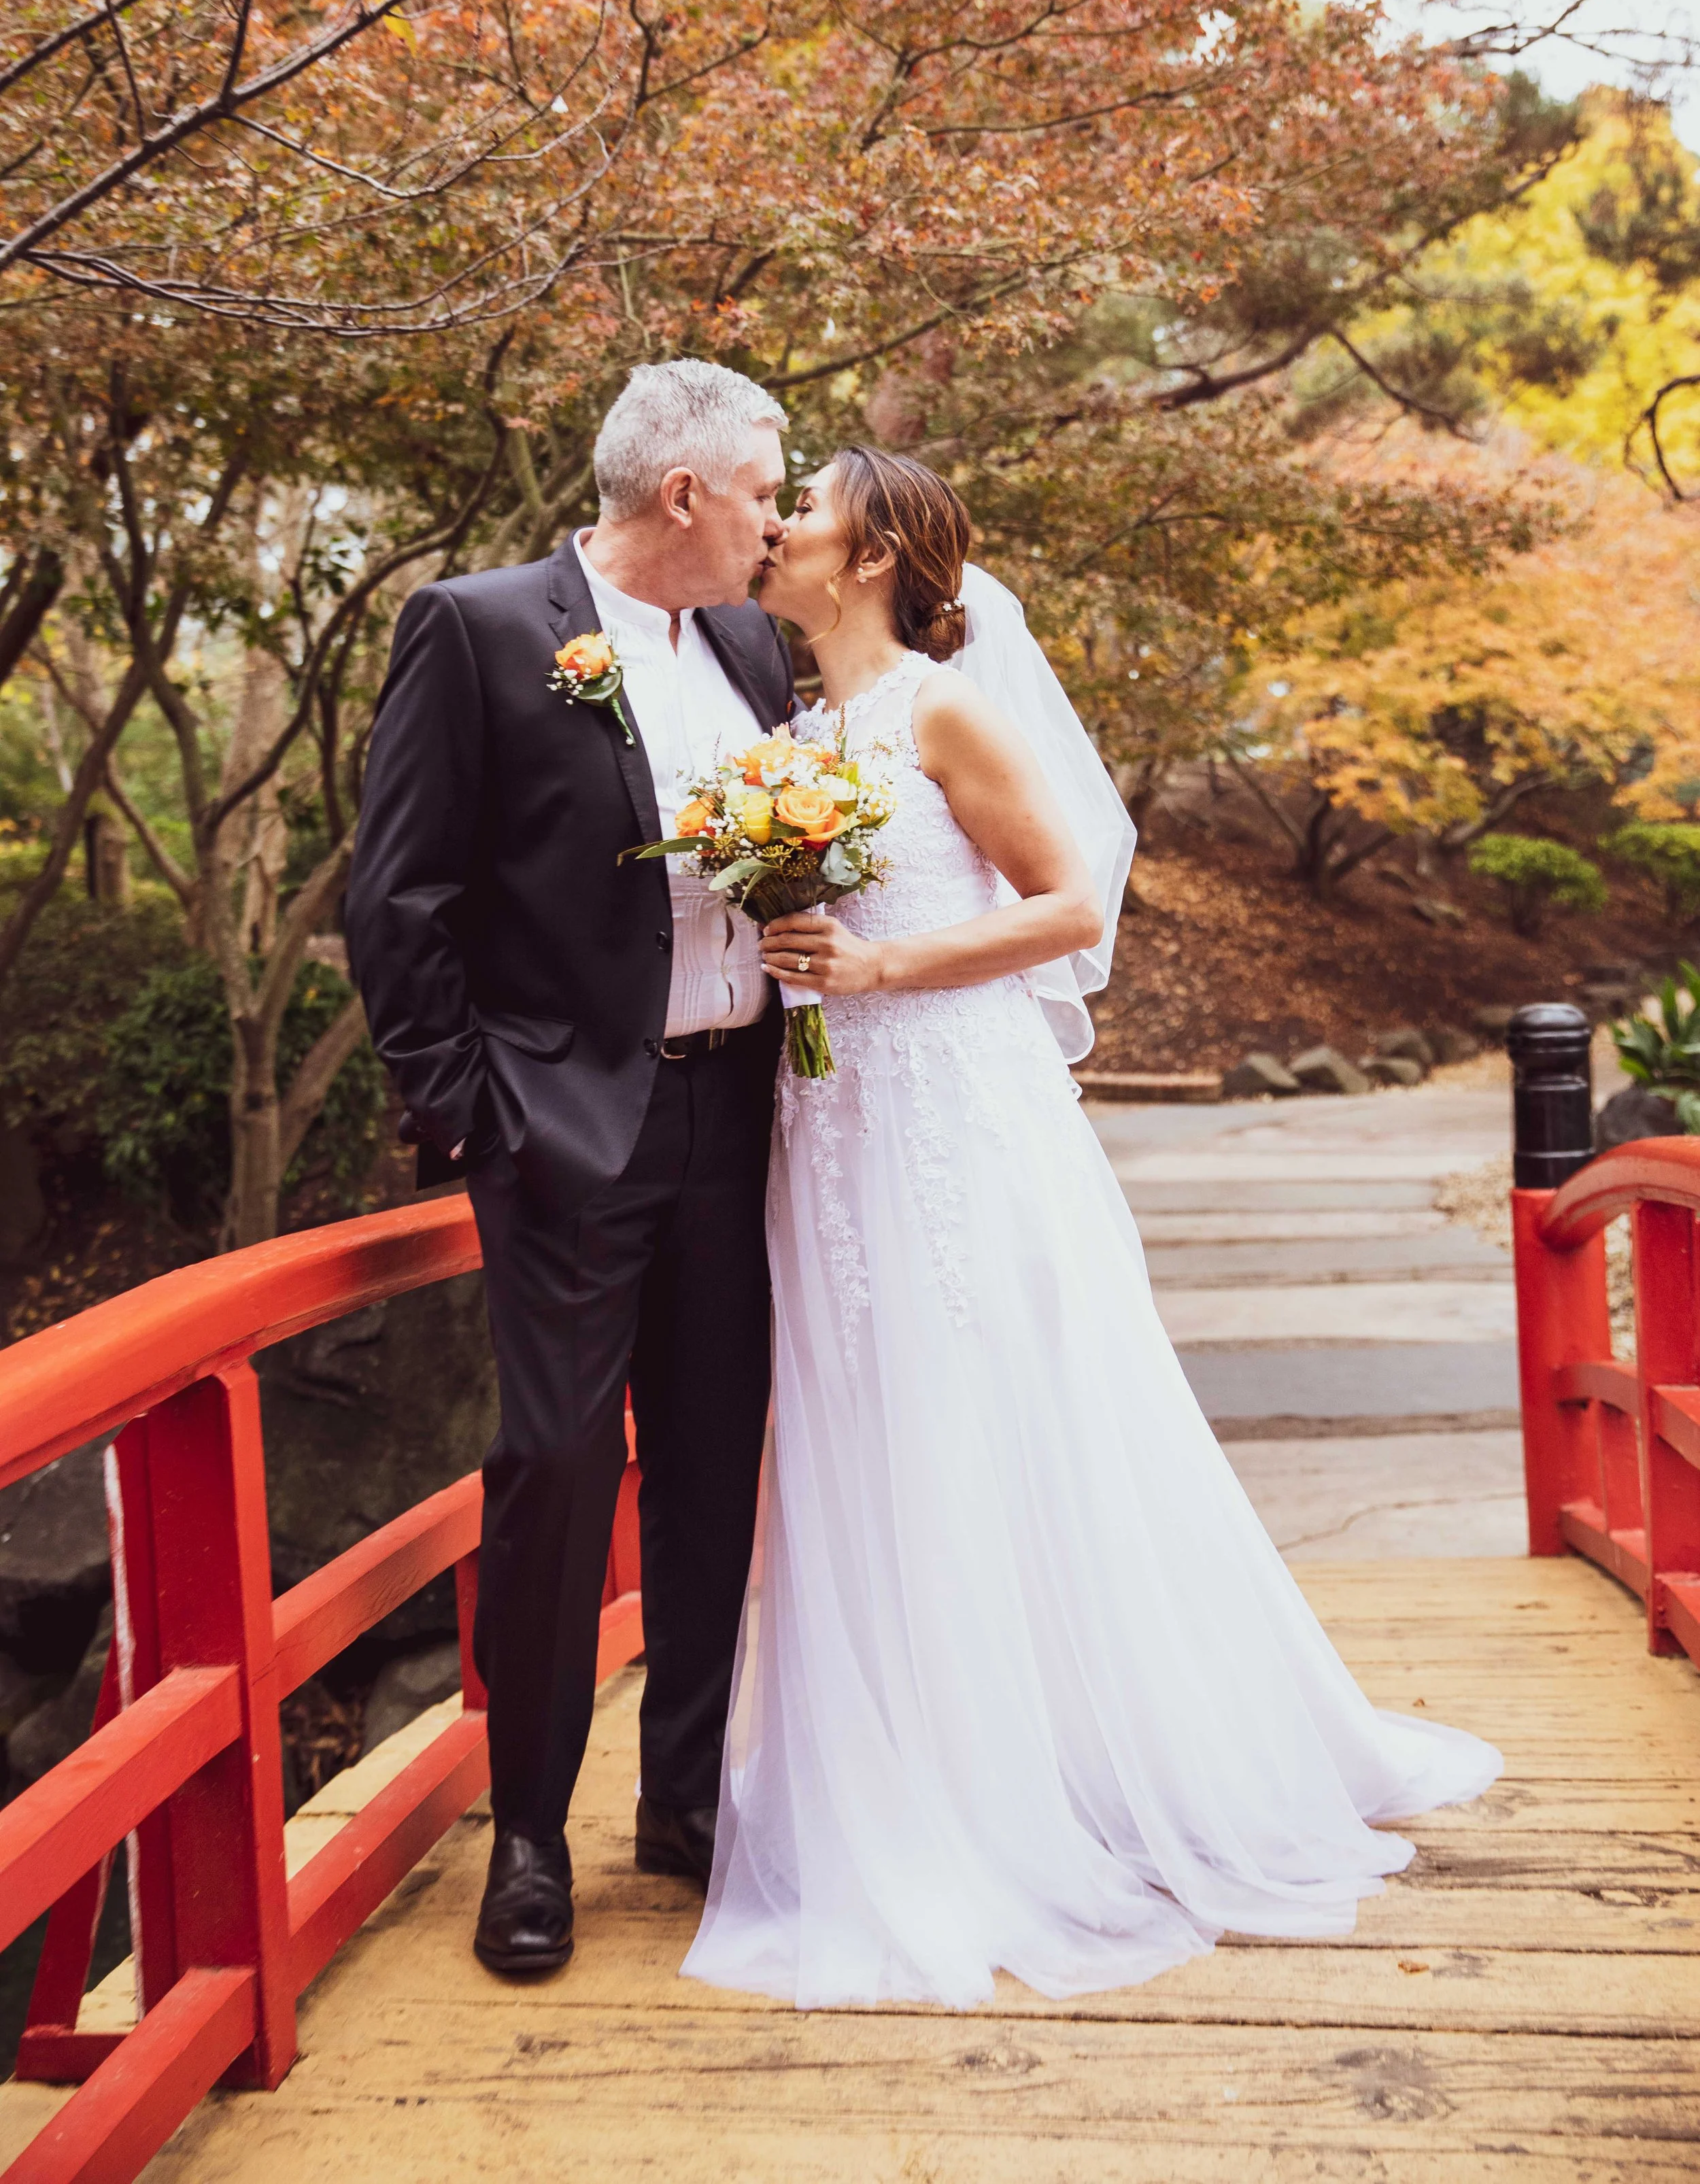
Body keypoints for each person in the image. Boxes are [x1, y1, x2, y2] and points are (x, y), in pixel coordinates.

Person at [682, 443, 1501, 2008]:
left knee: (1001, 1415)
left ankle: (1071, 1782)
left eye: (807, 512)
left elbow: (1071, 907)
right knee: (873, 1431)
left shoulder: (944, 708)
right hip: (833, 1126)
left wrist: (875, 973)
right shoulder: (790, 730)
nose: (777, 528)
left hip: (956, 1121)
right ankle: (925, 1770)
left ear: (869, 559)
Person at [345, 360, 794, 1977]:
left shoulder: (749, 645)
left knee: (709, 1461)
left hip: (739, 1117)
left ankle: (681, 1806)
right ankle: (527, 1837)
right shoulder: (475, 627)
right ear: (683, 497)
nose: (776, 517)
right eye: (762, 488)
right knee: (552, 1468)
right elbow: (397, 900)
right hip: (562, 1133)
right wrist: (468, 1111)